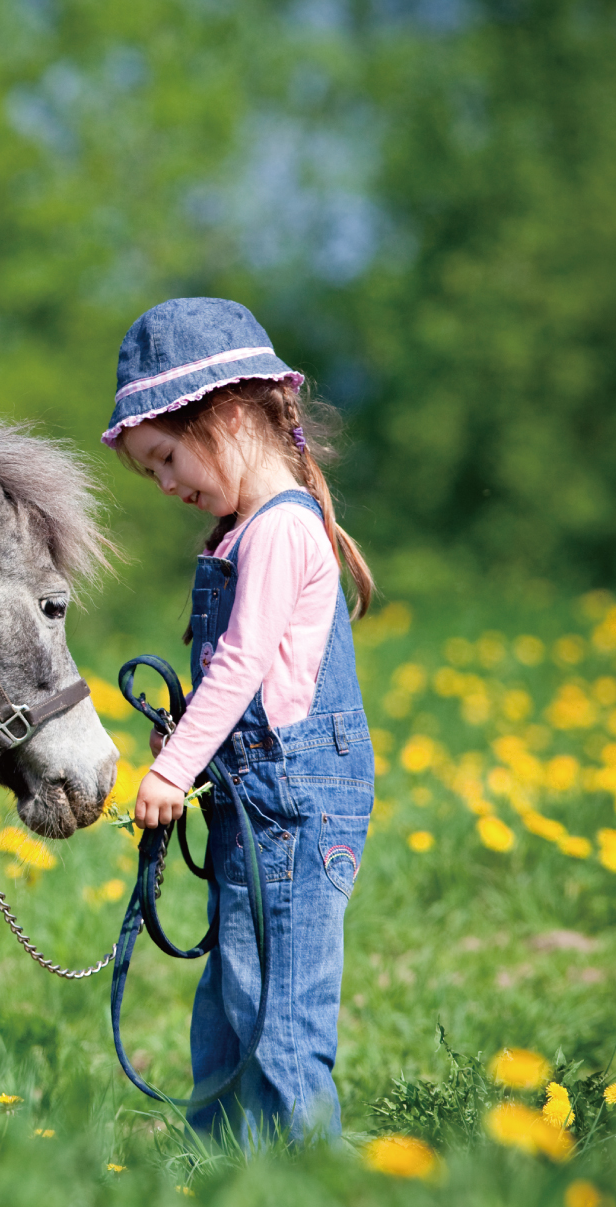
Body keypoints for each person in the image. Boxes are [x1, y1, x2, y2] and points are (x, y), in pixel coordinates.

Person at [103, 297, 377, 1145]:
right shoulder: (241, 533)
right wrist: (193, 742)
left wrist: (174, 768)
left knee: (278, 1016)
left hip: (291, 813)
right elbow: (246, 691)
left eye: (167, 457)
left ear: (223, 415)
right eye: (153, 472)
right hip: (253, 806)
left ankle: (302, 1182)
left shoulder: (281, 531)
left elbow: (244, 664)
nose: (168, 484)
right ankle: (220, 1168)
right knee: (229, 1002)